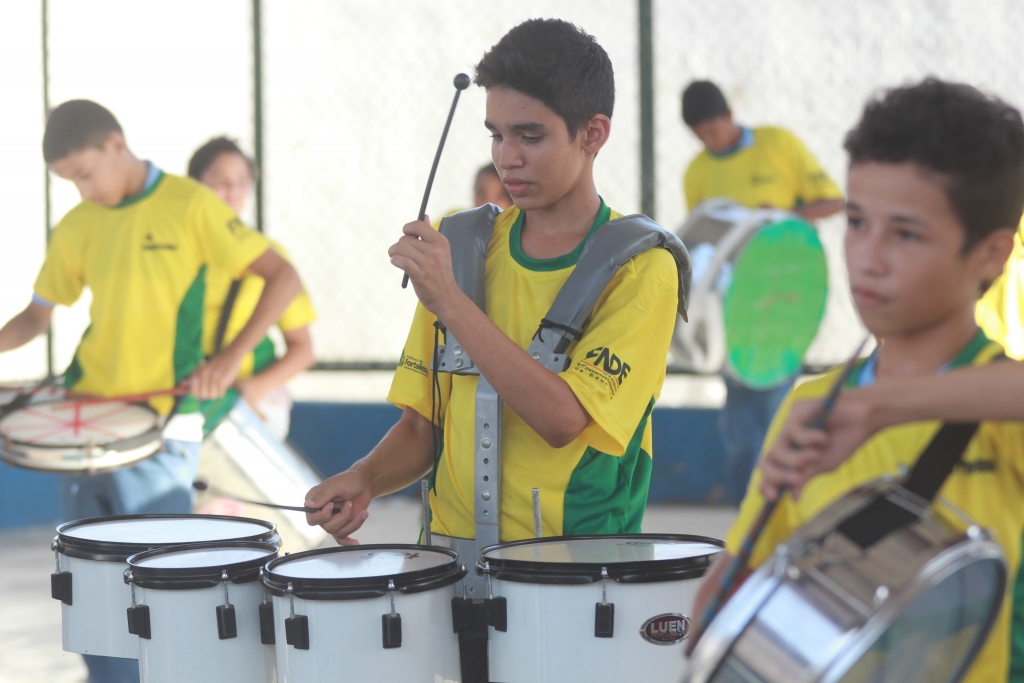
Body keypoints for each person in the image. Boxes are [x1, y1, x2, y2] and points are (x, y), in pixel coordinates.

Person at [692, 79, 1024, 683]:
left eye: (906, 233)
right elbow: (733, 597)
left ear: (992, 253)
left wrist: (880, 407)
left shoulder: (1001, 407)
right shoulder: (813, 405)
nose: (867, 259)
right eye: (857, 222)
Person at [305, 18, 680, 549]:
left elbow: (563, 419)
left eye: (531, 136)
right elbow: (422, 426)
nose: (507, 157)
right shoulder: (462, 246)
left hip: (574, 575)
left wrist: (451, 303)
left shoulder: (641, 267)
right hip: (447, 566)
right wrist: (365, 477)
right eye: (496, 136)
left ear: (593, 133)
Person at [0, 100, 301, 683]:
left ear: (116, 144)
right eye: (69, 182)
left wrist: (230, 359)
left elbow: (282, 277)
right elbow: (37, 317)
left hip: (163, 428)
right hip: (85, 423)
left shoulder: (190, 205)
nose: (82, 190)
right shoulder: (80, 223)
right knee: (90, 596)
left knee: (161, 592)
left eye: (85, 173)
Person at [681, 79, 845, 504]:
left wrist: (784, 216)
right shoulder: (697, 172)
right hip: (729, 313)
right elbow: (701, 243)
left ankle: (776, 508)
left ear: (729, 116)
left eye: (713, 130)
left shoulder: (778, 144)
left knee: (774, 415)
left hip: (784, 305)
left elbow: (831, 201)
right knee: (738, 426)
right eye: (701, 136)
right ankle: (745, 510)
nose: (709, 141)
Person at [187, 136, 316, 440]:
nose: (232, 192)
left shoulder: (272, 258)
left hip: (249, 404)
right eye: (220, 181)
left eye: (242, 182)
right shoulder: (175, 253)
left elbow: (303, 349)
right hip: (182, 399)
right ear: (192, 185)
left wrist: (251, 390)